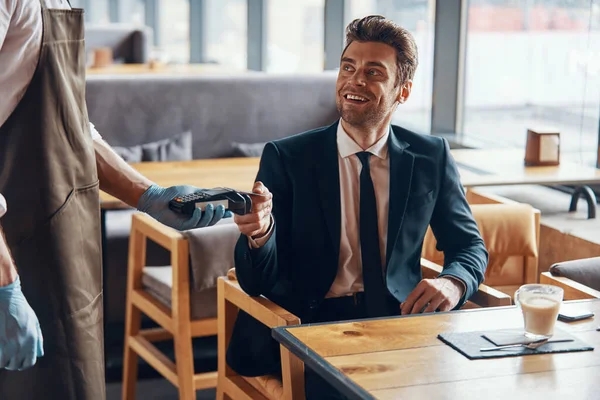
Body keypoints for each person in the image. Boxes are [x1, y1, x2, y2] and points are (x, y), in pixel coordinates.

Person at [227, 15, 488, 398]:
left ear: (403, 91)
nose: (355, 81)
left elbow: (469, 247)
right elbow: (256, 282)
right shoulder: (287, 156)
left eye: (373, 72)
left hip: (399, 322)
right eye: (348, 67)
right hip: (308, 324)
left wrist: (454, 282)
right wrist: (260, 235)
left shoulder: (431, 157)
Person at [0, 1, 227, 398]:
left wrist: (149, 195)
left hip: (57, 237)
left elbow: (70, 124)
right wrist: (4, 284)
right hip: (11, 246)